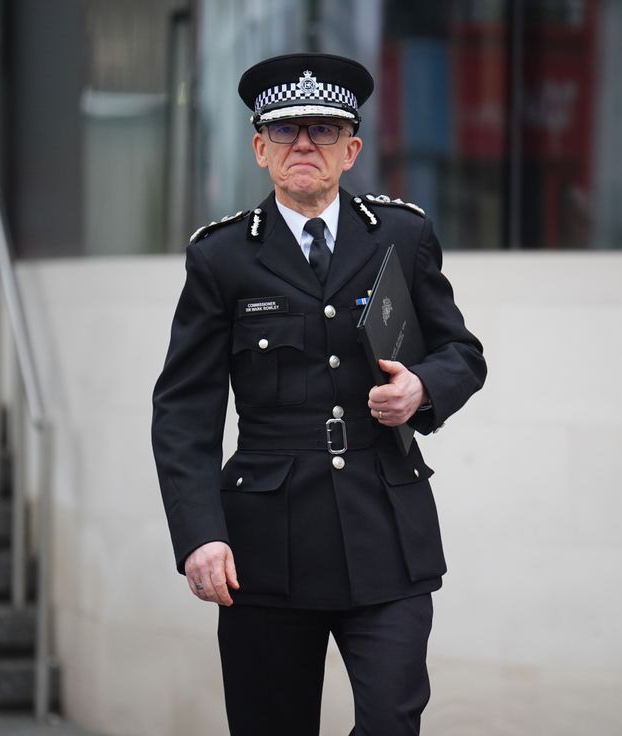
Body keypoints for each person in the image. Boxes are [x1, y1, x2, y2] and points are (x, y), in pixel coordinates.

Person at [151, 52, 486, 736]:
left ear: (352, 148)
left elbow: (463, 354)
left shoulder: (403, 235)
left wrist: (422, 389)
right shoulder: (221, 259)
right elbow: (184, 410)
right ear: (260, 149)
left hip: (386, 531)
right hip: (266, 548)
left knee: (393, 719)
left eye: (324, 130)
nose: (303, 144)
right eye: (285, 131)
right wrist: (199, 535)